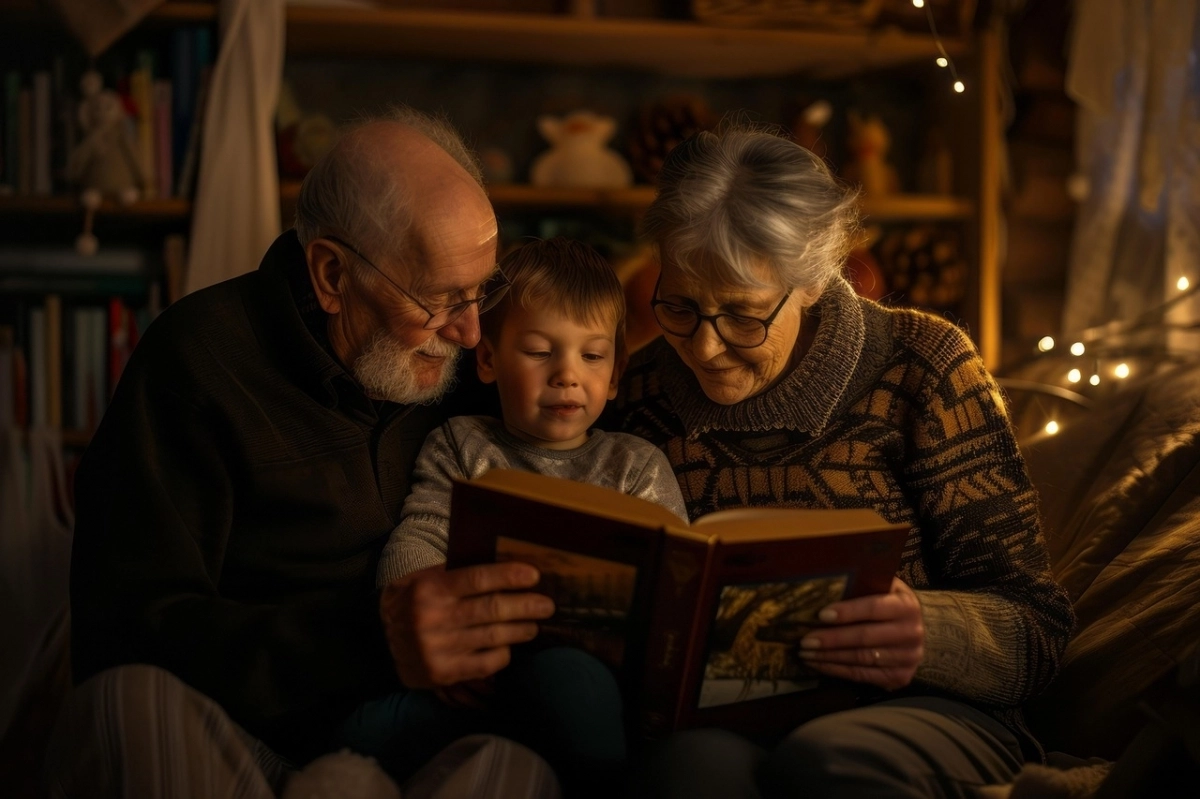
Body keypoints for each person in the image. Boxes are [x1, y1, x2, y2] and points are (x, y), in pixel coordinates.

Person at [54, 108, 561, 798]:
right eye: (441, 301)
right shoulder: (199, 360)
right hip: (244, 748)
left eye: (482, 292)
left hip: (417, 754)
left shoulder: (466, 368)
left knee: (521, 770)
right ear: (330, 273)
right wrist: (369, 636)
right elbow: (124, 633)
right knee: (123, 705)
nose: (471, 334)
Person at [608, 124, 1077, 798]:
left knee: (829, 764)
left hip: (922, 708)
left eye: (742, 316)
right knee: (686, 772)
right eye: (680, 306)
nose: (705, 349)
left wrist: (929, 628)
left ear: (812, 279)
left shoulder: (924, 366)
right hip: (726, 716)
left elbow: (1038, 630)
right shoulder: (639, 387)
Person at [337, 237, 687, 791]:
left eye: (591, 356)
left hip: (593, 681)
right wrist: (428, 617)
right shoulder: (461, 445)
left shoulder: (634, 465)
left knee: (571, 685)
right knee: (363, 730)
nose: (567, 375)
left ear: (616, 372)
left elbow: (676, 583)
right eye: (540, 351)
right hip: (481, 672)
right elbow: (419, 537)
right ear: (488, 358)